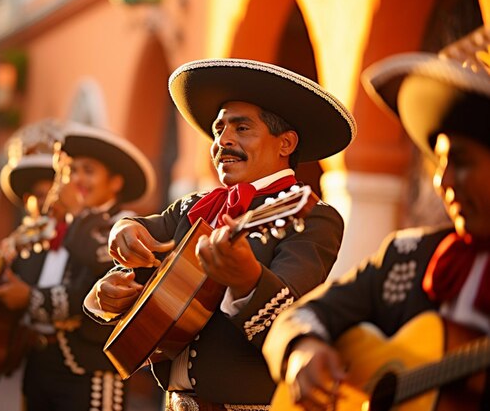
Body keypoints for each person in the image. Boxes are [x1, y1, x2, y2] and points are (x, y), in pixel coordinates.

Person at [84, 58, 356, 410]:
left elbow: (289, 320)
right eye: (218, 130)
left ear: (285, 143)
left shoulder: (314, 218)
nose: (222, 141)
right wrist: (118, 248)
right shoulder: (191, 207)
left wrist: (248, 279)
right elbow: (138, 239)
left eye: (242, 129)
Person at [262, 26, 490, 411]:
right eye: (440, 161)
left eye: (463, 161)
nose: (443, 181)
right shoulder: (409, 256)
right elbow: (300, 316)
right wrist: (303, 349)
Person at [0, 120, 157, 411]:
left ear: (115, 183)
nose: (77, 179)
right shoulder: (41, 231)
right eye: (71, 171)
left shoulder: (125, 228)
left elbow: (89, 293)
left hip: (90, 372)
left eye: (89, 171)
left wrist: (29, 298)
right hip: (37, 367)